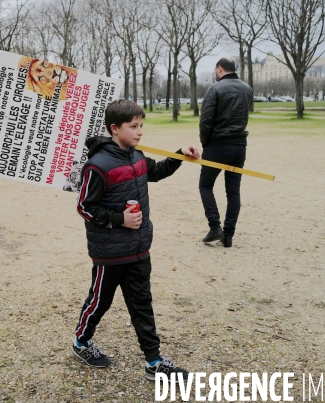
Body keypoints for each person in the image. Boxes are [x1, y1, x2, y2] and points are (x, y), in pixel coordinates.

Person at [73, 100, 200, 381]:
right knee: (99, 301)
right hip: (110, 253)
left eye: (141, 125)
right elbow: (84, 207)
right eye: (134, 126)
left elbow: (157, 172)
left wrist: (180, 154)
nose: (140, 131)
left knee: (142, 303)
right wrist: (120, 220)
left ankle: (154, 362)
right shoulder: (97, 166)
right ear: (115, 129)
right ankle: (81, 341)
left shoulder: (137, 156)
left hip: (139, 248)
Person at [198, 58, 253, 248]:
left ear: (220, 69)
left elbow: (205, 120)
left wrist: (205, 142)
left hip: (217, 145)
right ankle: (228, 235)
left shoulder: (215, 89)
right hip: (240, 144)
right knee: (233, 191)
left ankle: (215, 227)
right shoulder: (247, 89)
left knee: (205, 186)